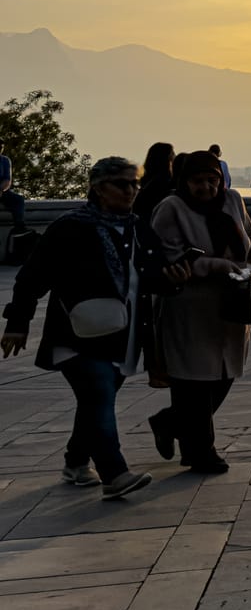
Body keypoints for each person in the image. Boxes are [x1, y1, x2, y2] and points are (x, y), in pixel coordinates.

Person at [3, 156, 185, 498]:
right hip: (77, 333)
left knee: (95, 402)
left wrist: (174, 280)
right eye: (123, 184)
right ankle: (114, 474)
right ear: (99, 189)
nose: (131, 190)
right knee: (99, 394)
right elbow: (33, 276)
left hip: (123, 334)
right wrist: (17, 323)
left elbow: (151, 278)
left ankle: (75, 462)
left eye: (135, 183)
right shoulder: (70, 227)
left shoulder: (138, 227)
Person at [146, 150, 251, 475]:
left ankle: (170, 423)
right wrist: (221, 266)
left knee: (224, 375)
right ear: (184, 181)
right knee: (193, 382)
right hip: (189, 306)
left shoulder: (232, 200)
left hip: (233, 304)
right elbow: (171, 257)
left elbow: (250, 236)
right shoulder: (170, 208)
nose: (206, 187)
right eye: (198, 181)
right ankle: (202, 452)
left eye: (212, 180)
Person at [134, 142, 176, 225]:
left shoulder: (147, 183)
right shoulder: (163, 183)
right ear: (167, 158)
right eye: (172, 153)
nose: (175, 156)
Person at [0, 142, 24, 240]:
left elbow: (7, 179)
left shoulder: (5, 160)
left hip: (2, 191)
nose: (0, 149)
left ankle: (19, 226)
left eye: (1, 147)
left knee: (18, 200)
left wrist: (1, 189)